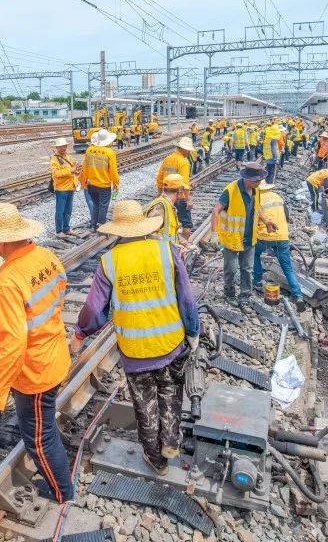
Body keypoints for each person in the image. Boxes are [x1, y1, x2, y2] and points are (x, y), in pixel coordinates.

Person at [72, 200, 199, 474]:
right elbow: (186, 298)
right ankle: (170, 442)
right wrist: (194, 332)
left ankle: (155, 458)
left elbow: (95, 308)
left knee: (145, 401)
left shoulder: (109, 261)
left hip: (134, 350)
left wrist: (80, 333)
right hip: (170, 344)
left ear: (117, 230)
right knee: (170, 392)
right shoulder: (167, 250)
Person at [0, 203, 74, 502]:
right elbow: (61, 289)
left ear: (0, 242)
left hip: (34, 372)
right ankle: (61, 484)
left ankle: (62, 493)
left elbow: (12, 342)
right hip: (54, 352)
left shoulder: (8, 280)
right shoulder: (45, 256)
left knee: (40, 439)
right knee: (45, 427)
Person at [213, 163, 276, 304]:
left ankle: (245, 296)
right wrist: (214, 234)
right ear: (248, 179)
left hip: (249, 238)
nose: (260, 182)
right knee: (231, 269)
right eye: (258, 180)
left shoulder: (256, 190)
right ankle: (229, 293)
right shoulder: (230, 190)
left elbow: (257, 208)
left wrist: (266, 221)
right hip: (233, 238)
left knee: (247, 269)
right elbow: (216, 210)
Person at [253, 181, 304, 301]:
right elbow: (287, 216)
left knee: (254, 254)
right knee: (287, 267)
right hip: (282, 236)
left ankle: (258, 282)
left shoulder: (256, 199)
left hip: (264, 236)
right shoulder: (278, 197)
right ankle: (298, 295)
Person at [79, 129, 120, 228]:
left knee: (96, 205)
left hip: (91, 185)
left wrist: (83, 182)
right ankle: (101, 225)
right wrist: (116, 184)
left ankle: (93, 225)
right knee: (103, 206)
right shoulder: (109, 152)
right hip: (104, 185)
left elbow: (84, 168)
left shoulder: (89, 150)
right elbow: (113, 171)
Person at [156, 137, 196, 239]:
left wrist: (160, 193)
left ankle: (169, 245)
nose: (189, 153)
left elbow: (159, 179)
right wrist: (188, 199)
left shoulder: (168, 159)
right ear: (184, 149)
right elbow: (184, 184)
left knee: (166, 224)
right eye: (189, 150)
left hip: (166, 196)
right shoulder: (183, 162)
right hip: (179, 196)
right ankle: (183, 249)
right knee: (186, 225)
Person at [144, 173, 187, 243]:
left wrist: (182, 242)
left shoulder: (168, 205)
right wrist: (172, 246)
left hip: (167, 251)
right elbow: (150, 233)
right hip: (161, 252)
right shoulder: (160, 206)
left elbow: (170, 233)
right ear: (180, 192)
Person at [49, 138, 79, 238]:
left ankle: (66, 228)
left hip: (70, 187)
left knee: (68, 210)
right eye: (61, 146)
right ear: (57, 147)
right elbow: (56, 173)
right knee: (60, 210)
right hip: (61, 189)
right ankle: (59, 231)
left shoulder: (69, 156)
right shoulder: (54, 159)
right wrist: (71, 170)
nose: (63, 148)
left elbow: (74, 168)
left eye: (64, 146)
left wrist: (75, 169)